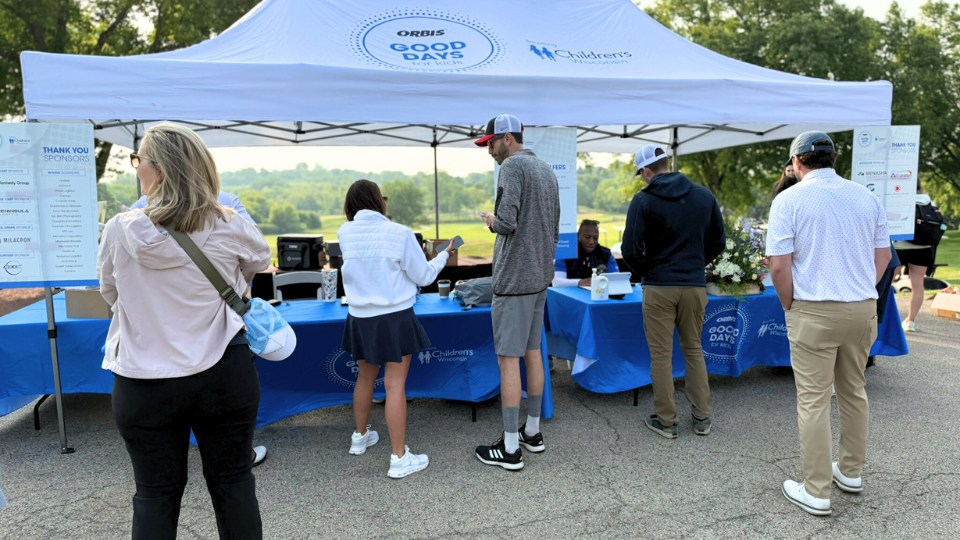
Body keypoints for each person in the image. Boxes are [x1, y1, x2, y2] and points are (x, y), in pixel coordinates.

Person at [100, 123, 271, 539]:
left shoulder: (120, 231)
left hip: (143, 378)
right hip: (223, 369)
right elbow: (256, 265)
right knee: (233, 484)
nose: (135, 167)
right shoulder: (229, 224)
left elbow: (110, 293)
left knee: (155, 494)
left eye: (138, 160)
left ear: (157, 170)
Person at [767, 131, 890, 516]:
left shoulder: (788, 200)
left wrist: (790, 304)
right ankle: (851, 472)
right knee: (854, 391)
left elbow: (779, 264)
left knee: (814, 401)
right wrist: (857, 288)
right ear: (833, 159)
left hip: (814, 309)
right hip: (861, 306)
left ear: (797, 162)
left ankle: (817, 489)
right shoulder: (866, 196)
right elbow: (883, 257)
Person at [135, 191, 267, 467]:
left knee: (157, 487)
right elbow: (259, 257)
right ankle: (242, 452)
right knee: (232, 478)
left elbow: (111, 292)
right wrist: (237, 287)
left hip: (158, 348)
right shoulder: (228, 206)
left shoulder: (132, 216)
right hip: (221, 340)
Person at [337, 179, 455, 479]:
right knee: (394, 386)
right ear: (380, 202)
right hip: (394, 316)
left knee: (364, 378)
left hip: (359, 316)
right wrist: (443, 254)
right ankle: (399, 458)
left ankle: (359, 438)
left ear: (350, 206)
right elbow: (424, 276)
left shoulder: (344, 232)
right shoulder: (399, 232)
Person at [621, 144, 726, 440]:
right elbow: (719, 242)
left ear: (646, 171)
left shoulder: (643, 200)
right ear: (668, 164)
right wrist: (694, 265)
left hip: (659, 287)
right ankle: (702, 417)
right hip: (694, 286)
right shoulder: (704, 195)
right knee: (694, 350)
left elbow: (629, 249)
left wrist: (649, 271)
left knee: (661, 356)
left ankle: (667, 421)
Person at [474, 114, 560, 470]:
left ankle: (510, 448)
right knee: (533, 352)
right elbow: (552, 227)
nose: (489, 151)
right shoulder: (546, 171)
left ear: (507, 139)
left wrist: (491, 221)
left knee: (508, 359)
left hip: (514, 280)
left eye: (491, 143)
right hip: (540, 275)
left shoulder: (511, 169)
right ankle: (532, 432)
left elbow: (508, 222)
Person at [893, 177, 938, 333]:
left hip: (900, 246)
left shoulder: (898, 198)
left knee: (886, 282)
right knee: (918, 284)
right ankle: (910, 321)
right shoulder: (928, 201)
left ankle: (881, 317)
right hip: (923, 247)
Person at [552, 219, 620, 287]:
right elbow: (556, 282)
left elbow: (617, 280)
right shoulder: (565, 252)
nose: (591, 242)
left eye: (595, 238)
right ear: (578, 236)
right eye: (587, 237)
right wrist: (579, 283)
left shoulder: (606, 254)